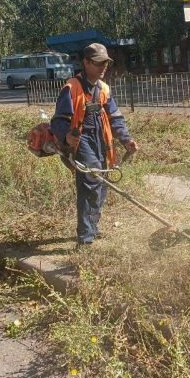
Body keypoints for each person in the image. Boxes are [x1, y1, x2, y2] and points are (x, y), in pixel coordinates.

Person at [51, 43, 137, 247]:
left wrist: (126, 139)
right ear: (86, 62)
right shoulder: (72, 87)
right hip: (81, 141)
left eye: (105, 63)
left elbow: (115, 117)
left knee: (101, 183)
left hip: (101, 141)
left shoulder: (103, 89)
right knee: (91, 182)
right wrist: (66, 137)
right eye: (98, 63)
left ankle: (92, 227)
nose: (103, 67)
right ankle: (85, 237)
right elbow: (58, 121)